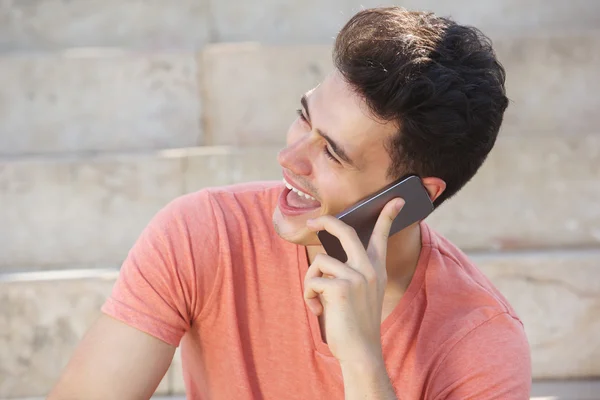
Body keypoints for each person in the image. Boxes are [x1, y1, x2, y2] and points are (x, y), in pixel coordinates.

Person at [49, 6, 531, 400]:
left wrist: (362, 360)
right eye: (305, 120)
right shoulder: (205, 232)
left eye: (333, 154)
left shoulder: (481, 342)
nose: (289, 158)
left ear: (411, 199)